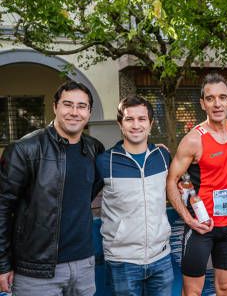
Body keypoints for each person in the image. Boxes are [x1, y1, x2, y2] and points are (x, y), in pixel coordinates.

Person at [0, 81, 104, 295]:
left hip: (84, 264)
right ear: (55, 107)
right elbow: (1, 208)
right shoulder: (25, 150)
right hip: (36, 269)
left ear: (89, 112)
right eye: (68, 104)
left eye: (81, 106)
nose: (74, 112)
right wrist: (3, 264)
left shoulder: (94, 149)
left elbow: (88, 193)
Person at [166, 73, 227, 296]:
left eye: (222, 97)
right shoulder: (194, 139)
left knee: (226, 288)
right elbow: (171, 181)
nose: (217, 103)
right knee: (192, 292)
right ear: (203, 103)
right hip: (201, 228)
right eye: (210, 98)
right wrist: (188, 219)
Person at [96, 96, 173, 295]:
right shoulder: (105, 162)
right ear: (120, 124)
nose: (136, 125)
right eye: (129, 119)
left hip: (161, 258)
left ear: (151, 123)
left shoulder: (163, 157)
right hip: (122, 261)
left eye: (142, 119)